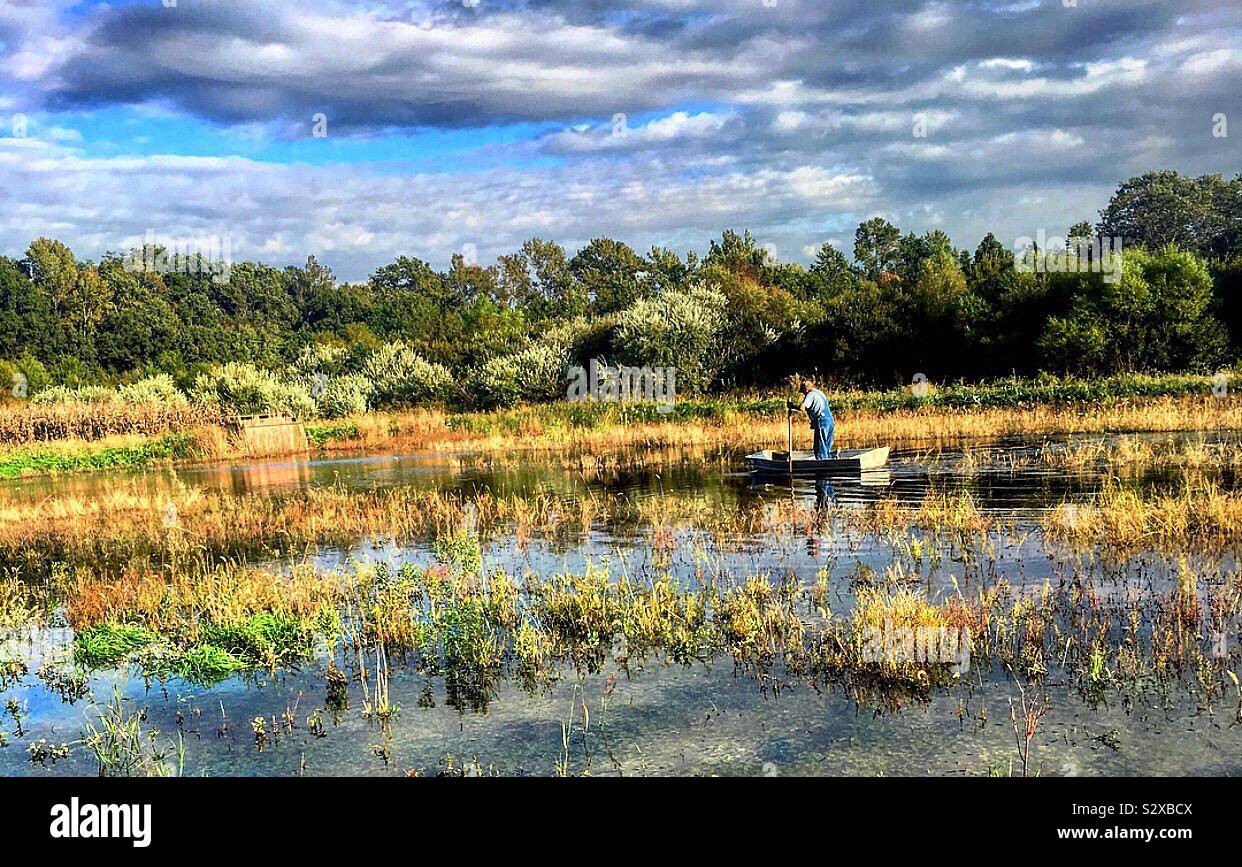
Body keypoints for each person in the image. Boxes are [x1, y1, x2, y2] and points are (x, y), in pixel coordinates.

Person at [787, 378, 834, 460]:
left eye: (803, 391)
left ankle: (822, 465)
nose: (803, 394)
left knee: (819, 448)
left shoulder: (810, 394)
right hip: (830, 421)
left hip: (822, 422)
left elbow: (802, 408)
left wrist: (792, 406)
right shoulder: (820, 393)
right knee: (826, 447)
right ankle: (828, 463)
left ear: (806, 388)